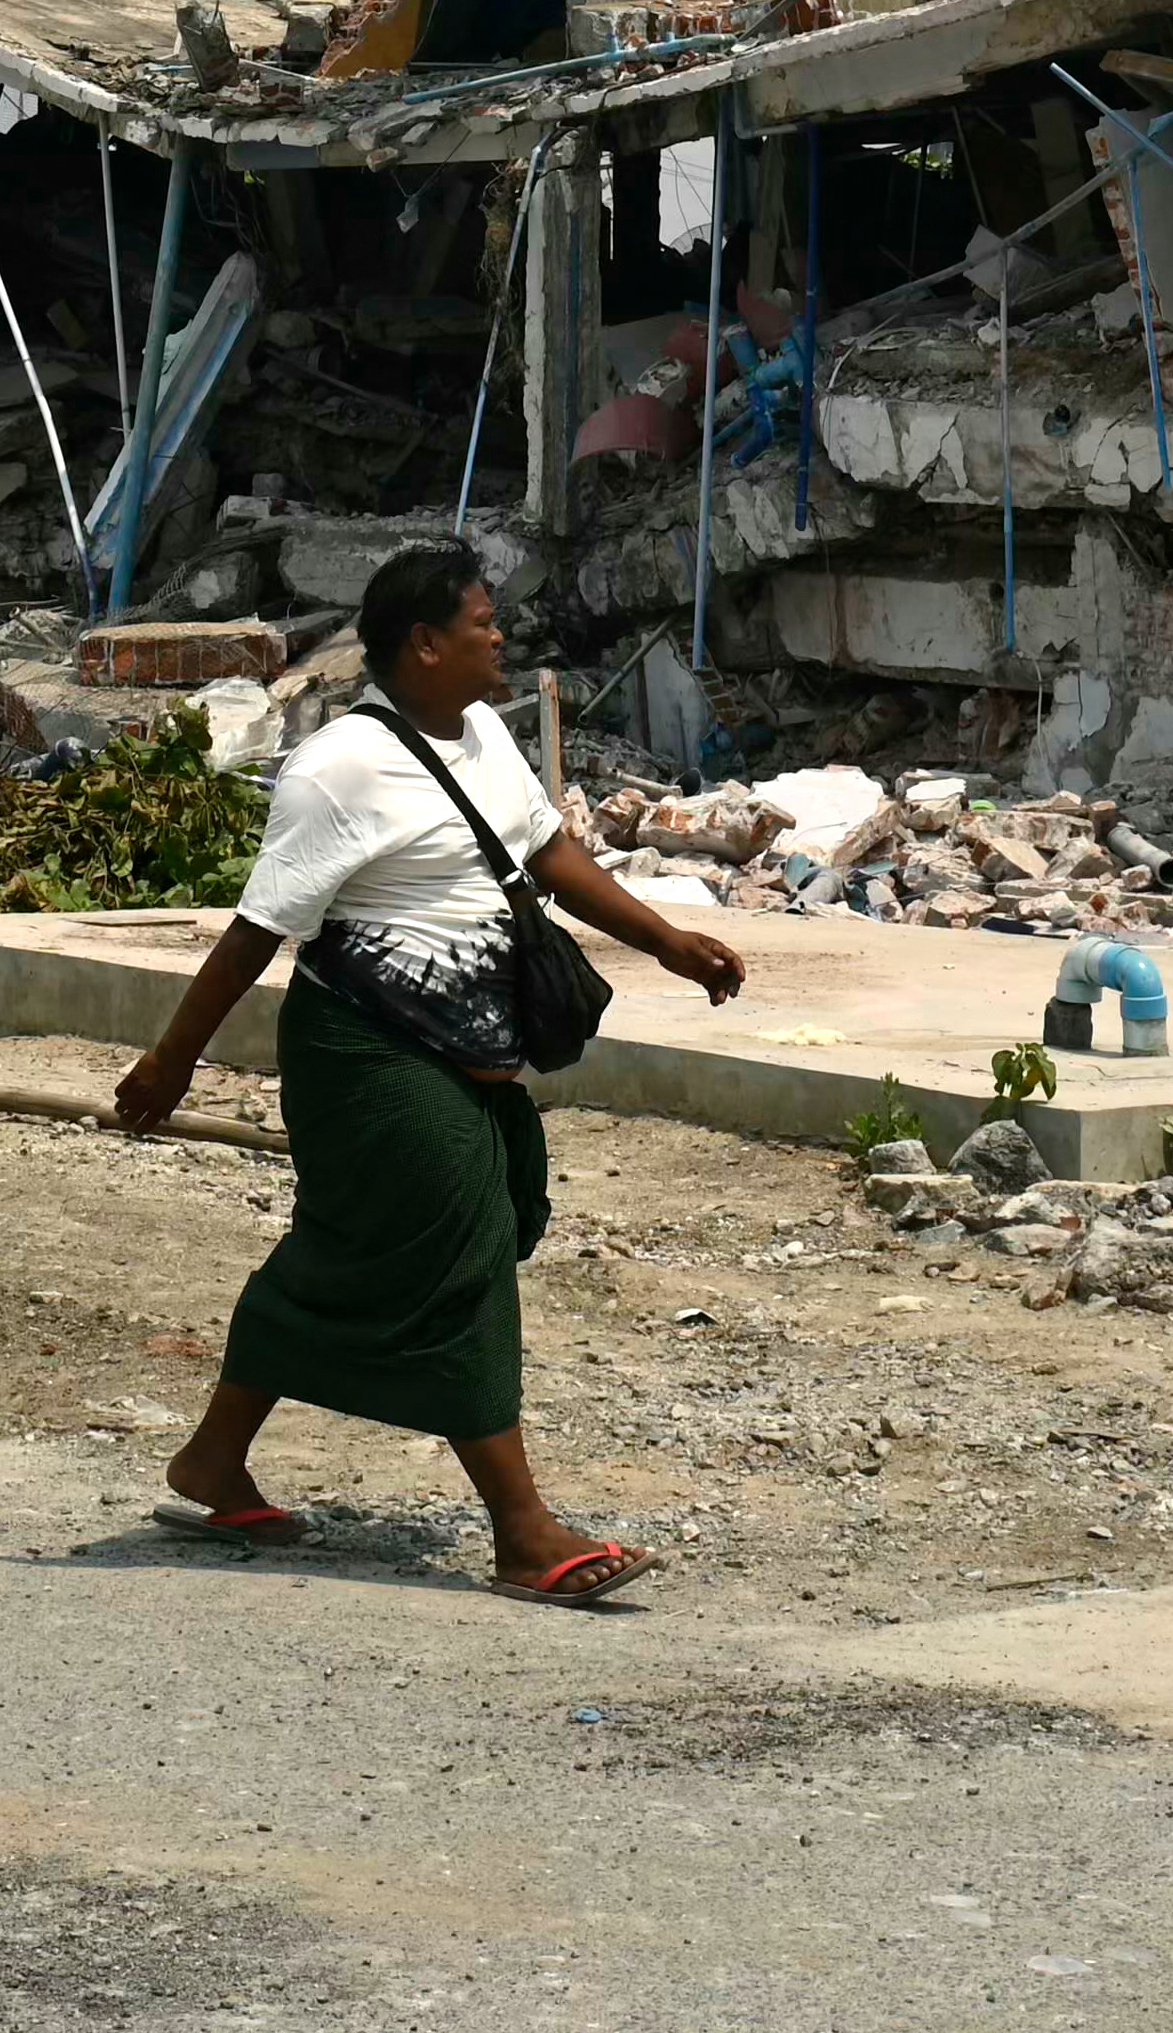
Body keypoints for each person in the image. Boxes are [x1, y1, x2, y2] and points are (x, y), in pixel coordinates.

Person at [108, 543, 740, 1602]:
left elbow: (548, 853)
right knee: (461, 1251)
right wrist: (172, 1060)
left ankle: (213, 1460)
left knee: (355, 1251)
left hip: (469, 1046)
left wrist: (667, 942)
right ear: (426, 644)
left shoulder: (484, 732)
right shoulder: (339, 767)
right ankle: (524, 1533)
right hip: (366, 1051)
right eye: (483, 623)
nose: (501, 637)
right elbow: (259, 928)